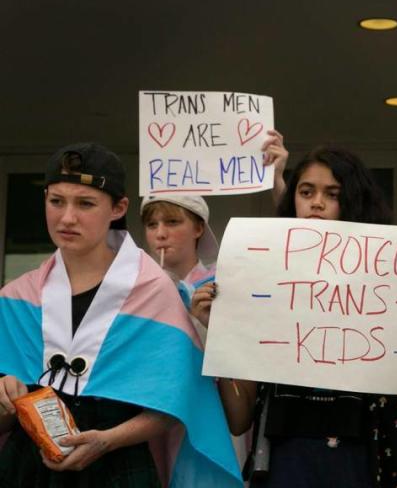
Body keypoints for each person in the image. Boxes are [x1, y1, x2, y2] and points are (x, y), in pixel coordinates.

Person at [191, 144, 397, 488]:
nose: (316, 202)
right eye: (306, 192)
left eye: (332, 194)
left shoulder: (392, 285)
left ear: (353, 202)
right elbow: (238, 419)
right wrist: (222, 333)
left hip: (363, 463)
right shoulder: (260, 282)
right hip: (285, 465)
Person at [0, 142, 240, 487]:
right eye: (56, 201)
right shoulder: (16, 297)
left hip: (118, 464)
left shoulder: (152, 290)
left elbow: (176, 401)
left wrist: (108, 439)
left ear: (118, 208)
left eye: (85, 203)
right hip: (29, 466)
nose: (67, 217)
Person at [140, 194, 219, 307]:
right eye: (152, 224)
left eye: (172, 222)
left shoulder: (219, 286)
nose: (160, 234)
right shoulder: (134, 287)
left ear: (198, 229)